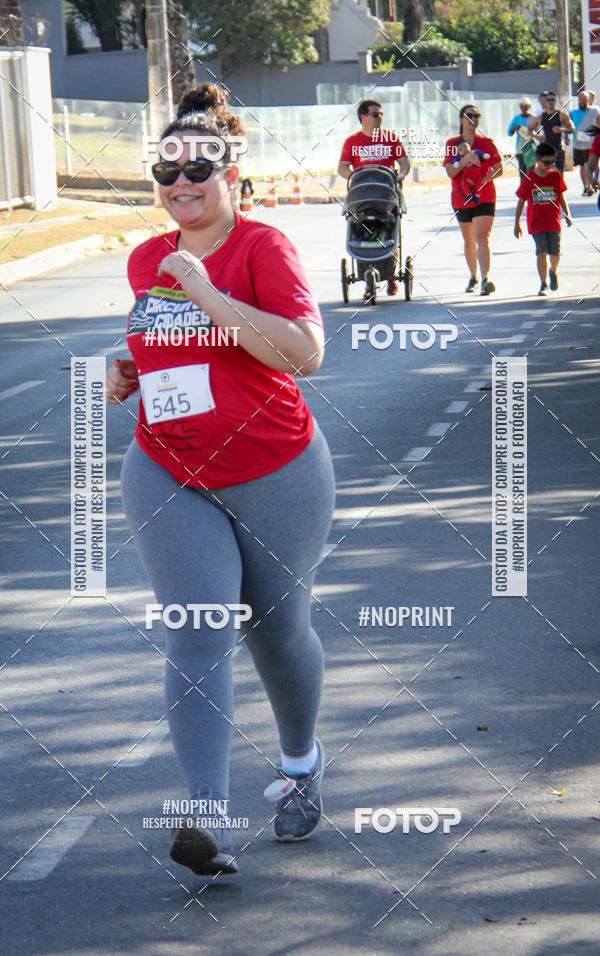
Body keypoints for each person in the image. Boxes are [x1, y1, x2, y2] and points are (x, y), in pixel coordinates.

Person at [106, 83, 336, 877]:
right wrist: (129, 367)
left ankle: (301, 765)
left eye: (198, 170)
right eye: (165, 176)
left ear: (229, 172)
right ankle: (206, 815)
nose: (181, 187)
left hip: (276, 468)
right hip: (167, 468)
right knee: (198, 629)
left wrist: (206, 290)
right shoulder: (146, 258)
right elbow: (165, 344)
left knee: (274, 633)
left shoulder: (262, 249)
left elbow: (303, 354)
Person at [338, 99, 411, 295]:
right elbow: (342, 167)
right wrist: (352, 175)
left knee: (391, 228)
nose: (380, 117)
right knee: (361, 229)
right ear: (364, 117)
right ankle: (367, 276)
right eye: (375, 114)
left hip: (387, 194)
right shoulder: (353, 142)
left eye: (381, 114)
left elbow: (404, 162)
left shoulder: (390, 138)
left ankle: (390, 274)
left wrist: (401, 174)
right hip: (362, 195)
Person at [444, 104, 502, 295]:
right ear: (461, 119)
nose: (473, 119)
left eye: (477, 115)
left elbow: (499, 168)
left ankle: (486, 279)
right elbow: (451, 171)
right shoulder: (452, 144)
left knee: (482, 236)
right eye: (469, 115)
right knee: (469, 238)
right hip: (461, 197)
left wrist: (488, 177)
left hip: (484, 195)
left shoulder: (486, 143)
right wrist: (465, 160)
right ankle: (473, 277)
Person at [514, 142, 572, 296]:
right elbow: (521, 201)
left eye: (551, 162)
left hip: (554, 222)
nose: (549, 165)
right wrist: (517, 224)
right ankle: (543, 283)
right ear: (537, 159)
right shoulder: (529, 178)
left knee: (555, 253)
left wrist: (567, 214)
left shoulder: (555, 176)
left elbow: (561, 196)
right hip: (536, 223)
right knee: (541, 251)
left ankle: (553, 271)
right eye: (546, 162)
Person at [527, 91, 574, 173]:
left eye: (553, 100)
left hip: (558, 147)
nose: (551, 102)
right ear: (545, 102)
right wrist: (537, 136)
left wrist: (561, 130)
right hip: (546, 148)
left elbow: (572, 128)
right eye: (549, 100)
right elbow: (529, 130)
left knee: (559, 172)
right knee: (546, 172)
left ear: (555, 101)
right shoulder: (541, 117)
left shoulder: (561, 114)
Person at [570, 90, 600, 194]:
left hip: (591, 143)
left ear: (588, 99)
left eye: (584, 99)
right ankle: (586, 186)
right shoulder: (573, 113)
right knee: (582, 165)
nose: (582, 101)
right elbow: (568, 126)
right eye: (580, 99)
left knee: (589, 164)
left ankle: (591, 185)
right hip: (578, 144)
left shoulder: (595, 111)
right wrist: (565, 136)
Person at [450, 140, 491, 204]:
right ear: (458, 152)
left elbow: (482, 156)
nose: (464, 149)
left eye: (465, 146)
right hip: (466, 176)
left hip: (476, 175)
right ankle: (469, 195)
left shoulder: (475, 153)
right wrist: (456, 163)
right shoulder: (460, 157)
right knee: (463, 183)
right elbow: (454, 161)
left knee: (479, 183)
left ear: (469, 146)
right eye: (460, 149)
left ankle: (477, 195)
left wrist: (484, 156)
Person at [507, 98, 535, 179]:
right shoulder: (516, 119)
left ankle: (531, 190)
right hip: (521, 149)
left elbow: (540, 131)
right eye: (522, 106)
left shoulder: (534, 118)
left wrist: (532, 134)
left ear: (529, 107)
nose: (524, 108)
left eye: (526, 106)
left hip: (531, 149)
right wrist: (515, 128)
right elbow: (509, 133)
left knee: (531, 172)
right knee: (523, 173)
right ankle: (524, 190)